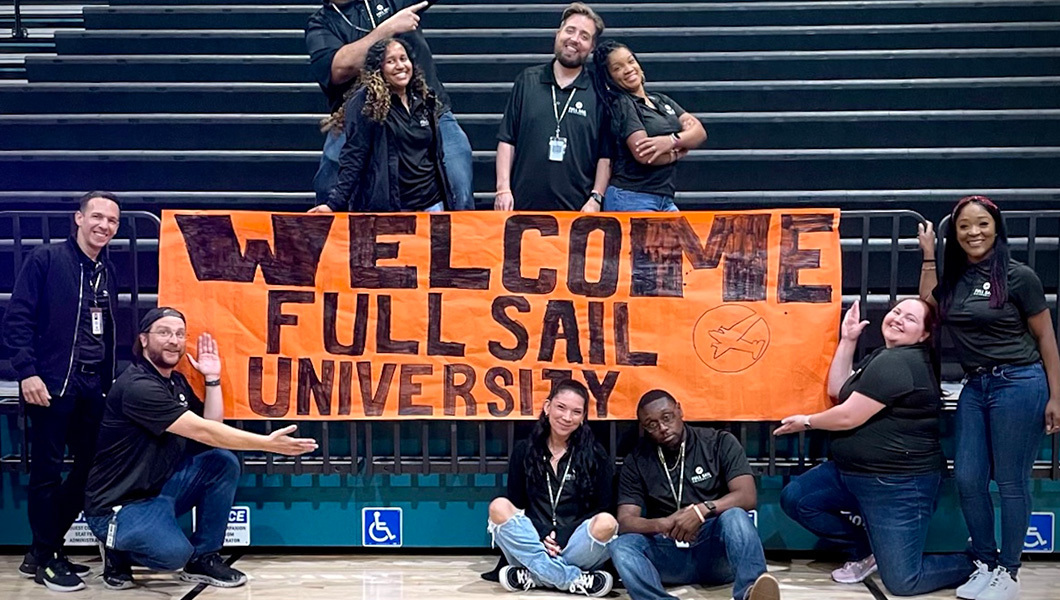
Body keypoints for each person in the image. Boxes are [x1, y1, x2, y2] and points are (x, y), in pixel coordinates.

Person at [82, 307, 318, 590]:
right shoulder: (136, 386)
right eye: (164, 332)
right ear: (143, 340)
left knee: (220, 461)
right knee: (172, 555)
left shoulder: (176, 383)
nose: (174, 340)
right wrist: (267, 444)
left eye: (180, 334)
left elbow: (211, 431)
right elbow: (204, 430)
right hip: (119, 506)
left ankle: (204, 558)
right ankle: (116, 551)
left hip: (158, 492)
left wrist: (212, 378)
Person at [775, 299, 975, 596]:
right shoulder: (882, 356)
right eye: (896, 312)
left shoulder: (899, 362)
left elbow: (848, 416)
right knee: (797, 498)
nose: (897, 319)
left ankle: (978, 562)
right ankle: (865, 549)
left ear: (923, 335)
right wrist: (848, 339)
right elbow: (837, 390)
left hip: (896, 485)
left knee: (903, 582)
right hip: (849, 473)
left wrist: (806, 422)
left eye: (909, 318)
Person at [918, 196, 1060, 600]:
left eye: (982, 224)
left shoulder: (1019, 277)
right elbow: (929, 301)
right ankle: (984, 561)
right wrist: (929, 255)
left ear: (996, 229)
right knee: (967, 479)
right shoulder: (956, 281)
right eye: (964, 226)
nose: (973, 232)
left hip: (1019, 383)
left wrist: (1057, 396)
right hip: (974, 387)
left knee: (1011, 481)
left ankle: (1009, 573)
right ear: (955, 234)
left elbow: (1046, 339)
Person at [1, 192, 121, 592]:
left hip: (91, 386)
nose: (104, 226)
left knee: (90, 470)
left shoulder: (107, 270)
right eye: (97, 217)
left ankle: (42, 549)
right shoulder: (46, 260)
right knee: (47, 473)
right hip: (50, 384)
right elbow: (17, 319)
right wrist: (27, 372)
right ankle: (48, 557)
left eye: (112, 221)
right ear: (78, 218)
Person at [610, 390, 781, 600]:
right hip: (668, 549)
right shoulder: (637, 460)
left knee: (735, 516)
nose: (662, 428)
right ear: (644, 428)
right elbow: (626, 520)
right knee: (622, 546)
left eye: (667, 417)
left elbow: (747, 496)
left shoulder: (718, 442)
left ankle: (750, 593)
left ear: (679, 410)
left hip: (715, 551)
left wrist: (702, 510)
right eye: (652, 424)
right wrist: (661, 524)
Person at [306, 0, 474, 210]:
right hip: (365, 118)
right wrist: (389, 28)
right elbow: (339, 67)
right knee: (328, 184)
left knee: (459, 184)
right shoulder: (321, 24)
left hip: (425, 110)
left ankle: (458, 241)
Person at [487, 380, 616, 597]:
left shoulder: (595, 454)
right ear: (548, 407)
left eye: (576, 412)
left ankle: (535, 575)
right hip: (533, 540)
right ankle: (572, 579)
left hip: (576, 544)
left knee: (607, 523)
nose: (567, 417)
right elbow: (517, 506)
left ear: (583, 417)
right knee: (498, 506)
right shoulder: (524, 450)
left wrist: (563, 535)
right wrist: (542, 533)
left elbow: (603, 508)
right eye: (561, 407)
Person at [309, 38, 453, 213]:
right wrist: (334, 204)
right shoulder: (366, 103)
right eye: (391, 61)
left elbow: (435, 154)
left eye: (403, 58)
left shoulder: (424, 98)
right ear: (378, 69)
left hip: (432, 204)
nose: (400, 66)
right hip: (394, 208)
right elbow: (355, 156)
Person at [495, 3, 611, 212]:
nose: (574, 39)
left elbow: (605, 153)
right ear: (558, 34)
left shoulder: (599, 89)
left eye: (584, 36)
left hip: (578, 213)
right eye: (570, 30)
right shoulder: (527, 81)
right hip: (523, 209)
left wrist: (596, 198)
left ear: (592, 47)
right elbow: (507, 139)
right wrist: (503, 189)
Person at [592, 40, 706, 212]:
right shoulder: (623, 103)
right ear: (610, 78)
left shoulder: (661, 100)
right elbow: (644, 154)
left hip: (664, 199)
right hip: (631, 197)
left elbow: (699, 132)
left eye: (630, 61)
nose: (628, 69)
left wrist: (671, 142)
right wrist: (678, 151)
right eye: (617, 68)